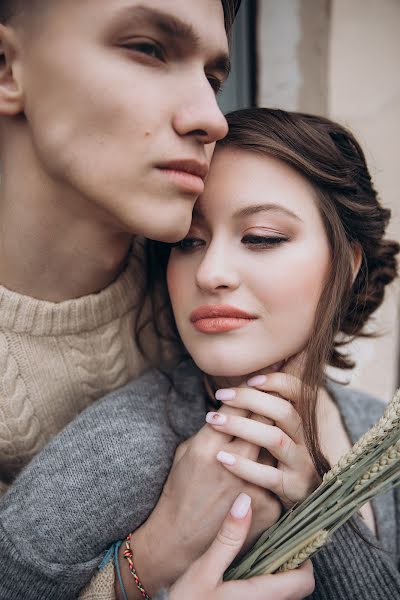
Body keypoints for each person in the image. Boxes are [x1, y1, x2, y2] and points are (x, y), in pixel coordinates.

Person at [0, 108, 398, 600]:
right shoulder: (123, 446)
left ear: (350, 264)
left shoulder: (376, 426)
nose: (210, 272)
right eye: (189, 241)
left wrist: (318, 509)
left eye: (261, 238)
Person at [0, 1, 315, 599]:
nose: (212, 118)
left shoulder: (220, 308)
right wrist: (145, 565)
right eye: (149, 49)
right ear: (8, 68)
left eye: (213, 79)